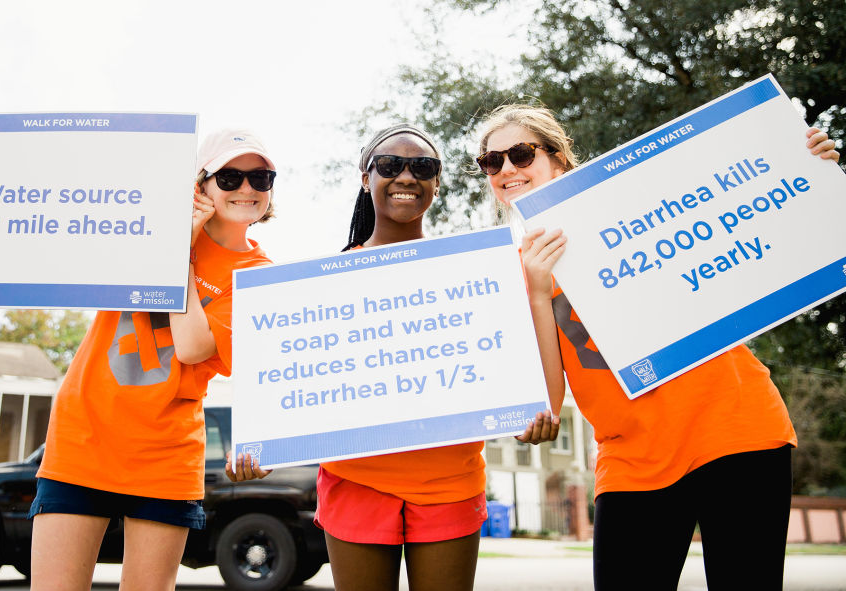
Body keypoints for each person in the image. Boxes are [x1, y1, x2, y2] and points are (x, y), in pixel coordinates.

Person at [473, 102, 840, 590]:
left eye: (520, 154)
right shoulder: (509, 272)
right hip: (632, 460)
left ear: (558, 158)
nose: (507, 170)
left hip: (736, 429)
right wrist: (538, 289)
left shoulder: (638, 212)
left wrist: (807, 166)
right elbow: (548, 398)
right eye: (491, 162)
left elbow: (751, 202)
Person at [0, 128, 278, 590]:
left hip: (165, 451)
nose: (247, 188)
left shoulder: (258, 275)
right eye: (231, 176)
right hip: (84, 435)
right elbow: (44, 233)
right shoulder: (136, 225)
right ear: (201, 184)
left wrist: (177, 252)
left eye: (261, 177)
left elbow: (193, 346)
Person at [251, 123, 563, 591]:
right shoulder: (320, 287)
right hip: (355, 483)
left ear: (437, 182)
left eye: (423, 167)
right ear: (365, 177)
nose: (406, 176)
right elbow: (294, 380)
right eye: (390, 165)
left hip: (449, 483)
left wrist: (534, 411)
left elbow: (526, 373)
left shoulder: (476, 272)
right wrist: (264, 441)